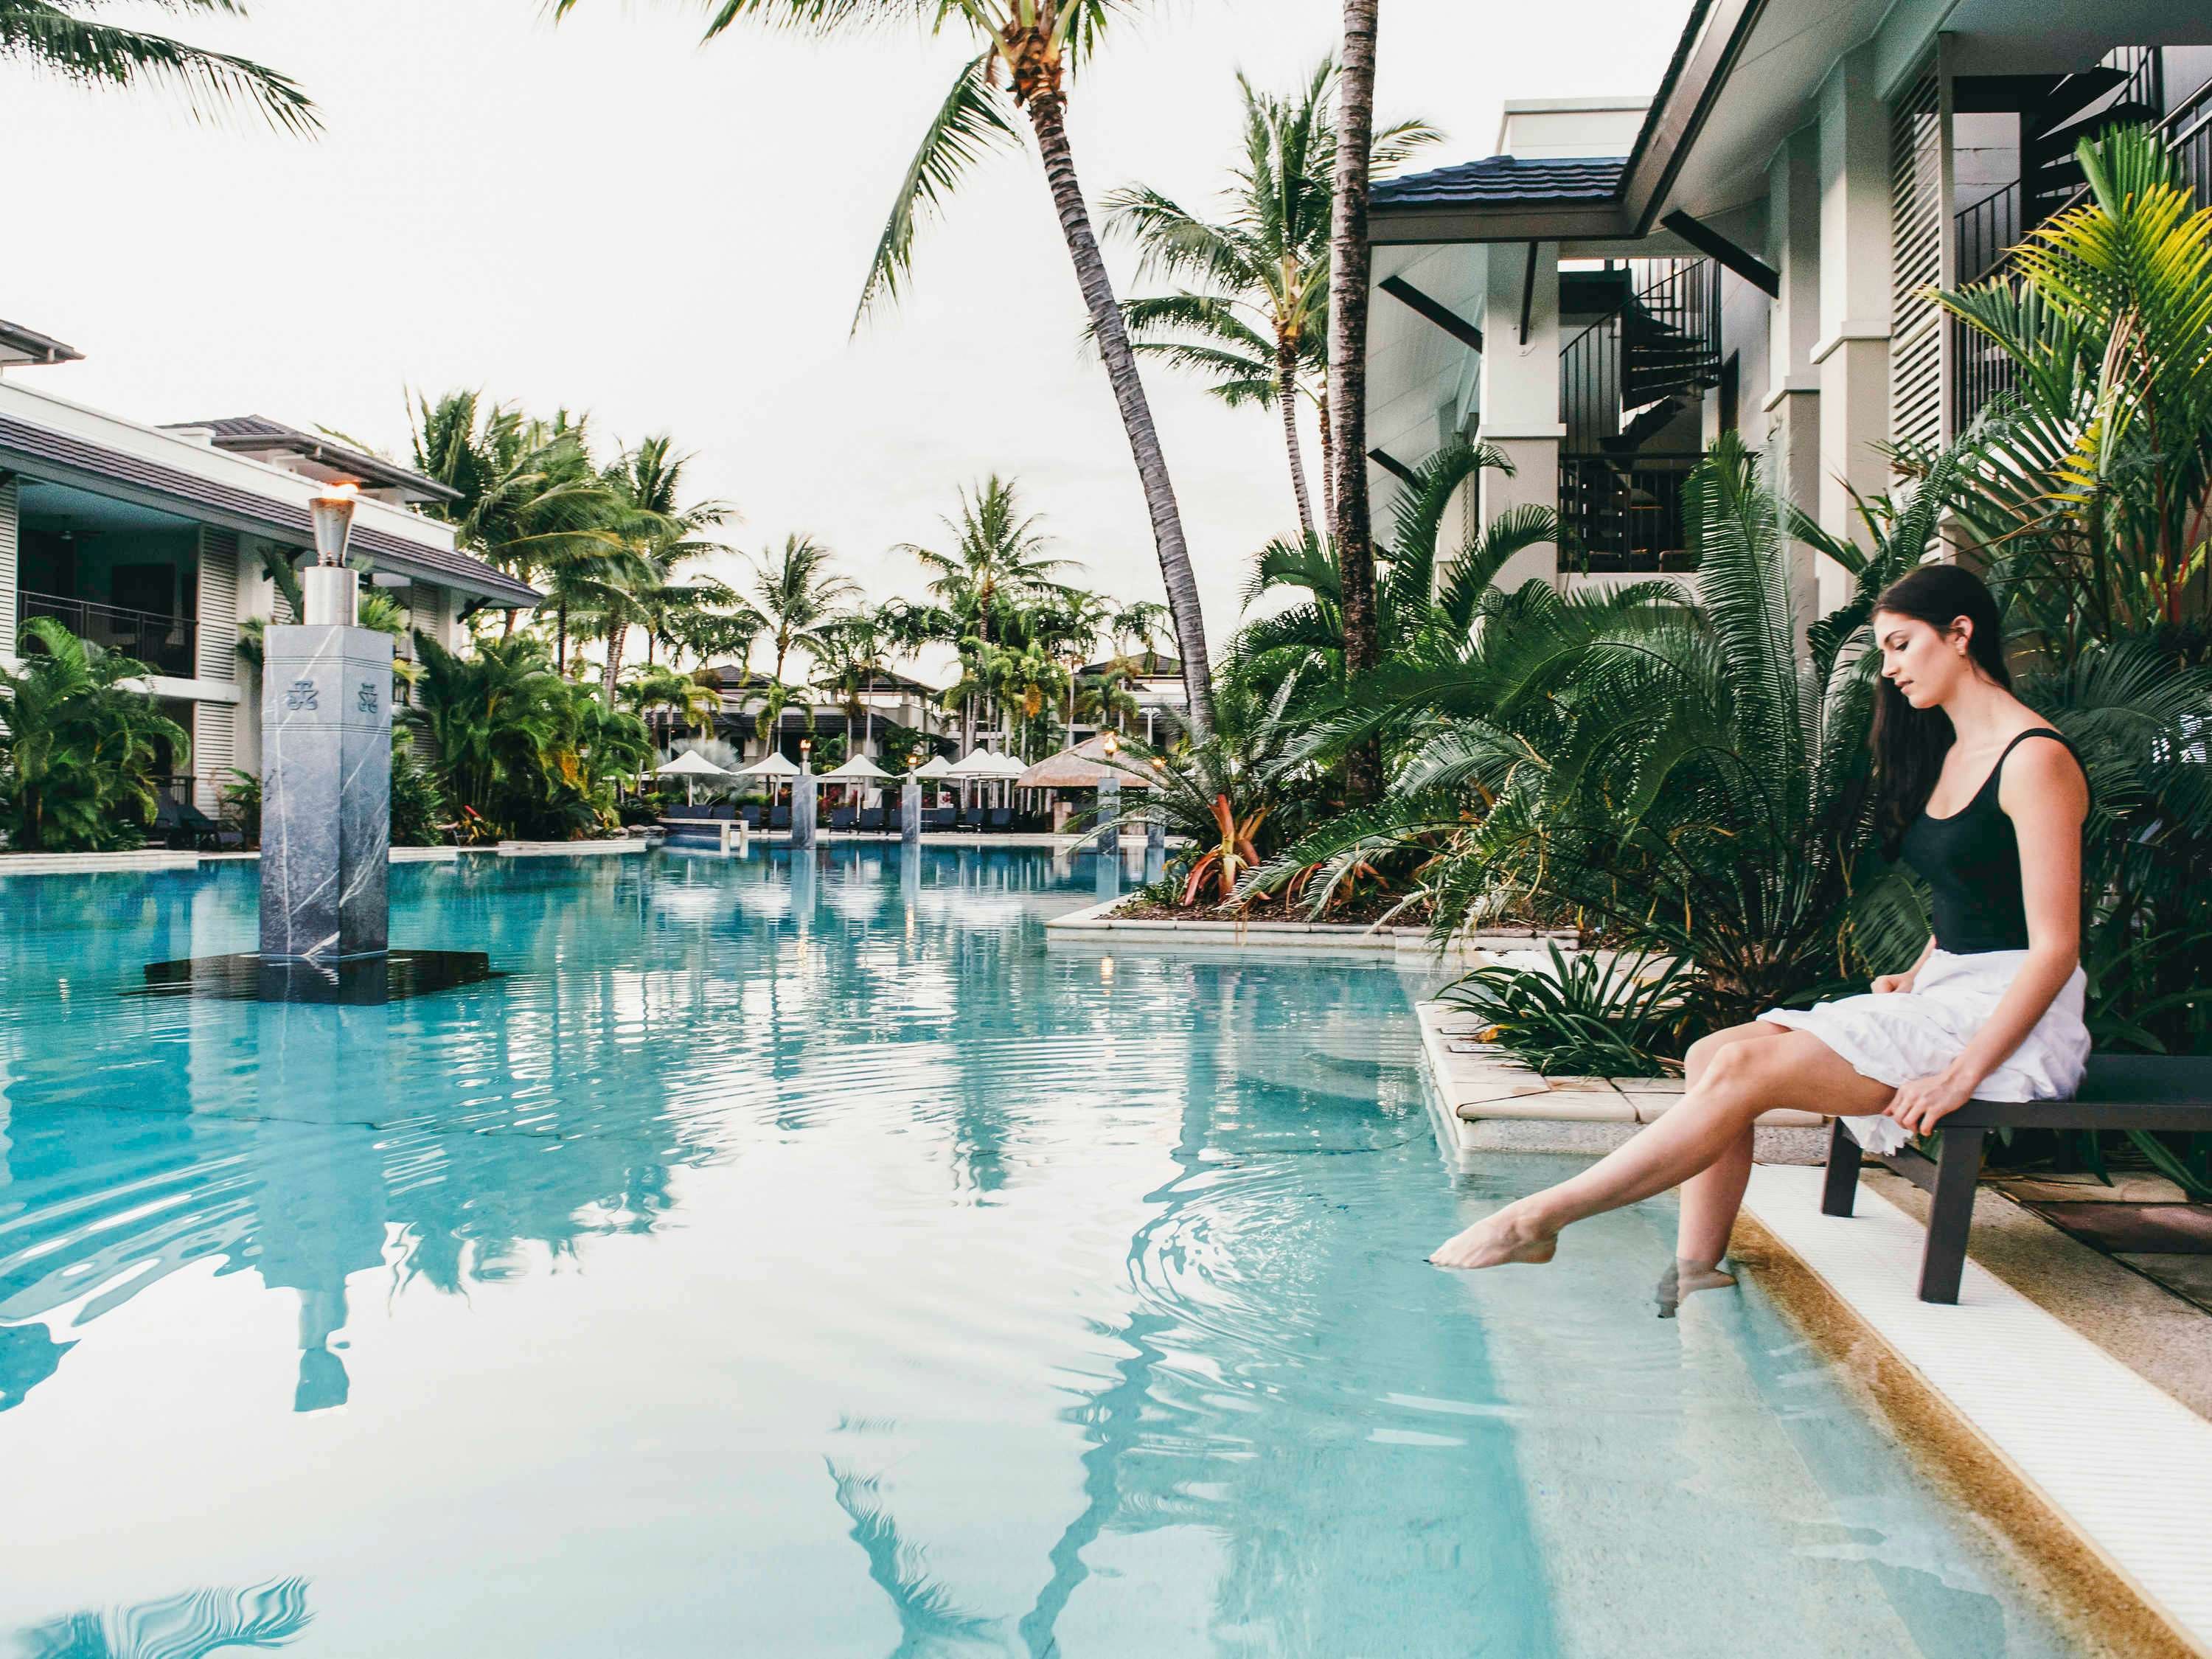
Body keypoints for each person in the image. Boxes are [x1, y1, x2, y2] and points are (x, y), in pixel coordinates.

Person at [1430, 563, 2093, 1282]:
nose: (1889, 669)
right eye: (1883, 652)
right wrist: (1920, 969)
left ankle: (1537, 1219)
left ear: (1960, 633)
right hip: (1948, 997)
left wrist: (1961, 1078)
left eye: (1901, 645)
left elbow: (2054, 947)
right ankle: (1695, 1268)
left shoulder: (2036, 760)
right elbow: (1977, 894)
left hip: (2014, 1022)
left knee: (1744, 1069)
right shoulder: (1952, 752)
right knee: (1710, 1055)